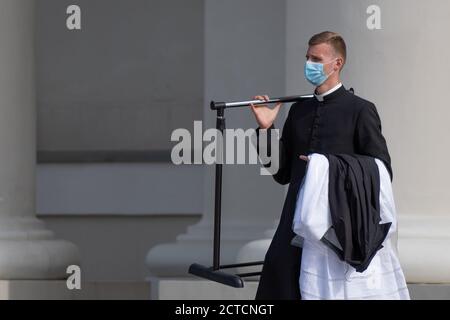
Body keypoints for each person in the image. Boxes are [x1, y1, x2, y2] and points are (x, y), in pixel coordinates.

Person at [250, 31, 392, 299]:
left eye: (316, 59)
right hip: (295, 219)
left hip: (336, 224)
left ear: (337, 64)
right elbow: (280, 173)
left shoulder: (360, 110)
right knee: (279, 281)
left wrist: (327, 166)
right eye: (307, 58)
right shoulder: (299, 110)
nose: (309, 65)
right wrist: (266, 129)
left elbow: (381, 170)